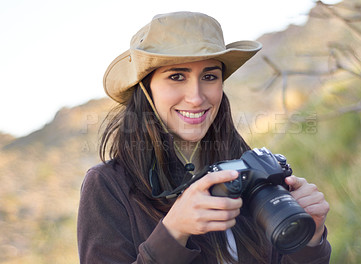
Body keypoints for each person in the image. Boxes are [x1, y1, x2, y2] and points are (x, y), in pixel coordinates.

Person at [77, 11, 331, 264]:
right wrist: (173, 231)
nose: (196, 97)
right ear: (146, 88)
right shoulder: (108, 185)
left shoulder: (247, 172)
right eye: (177, 77)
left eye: (209, 77)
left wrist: (311, 241)